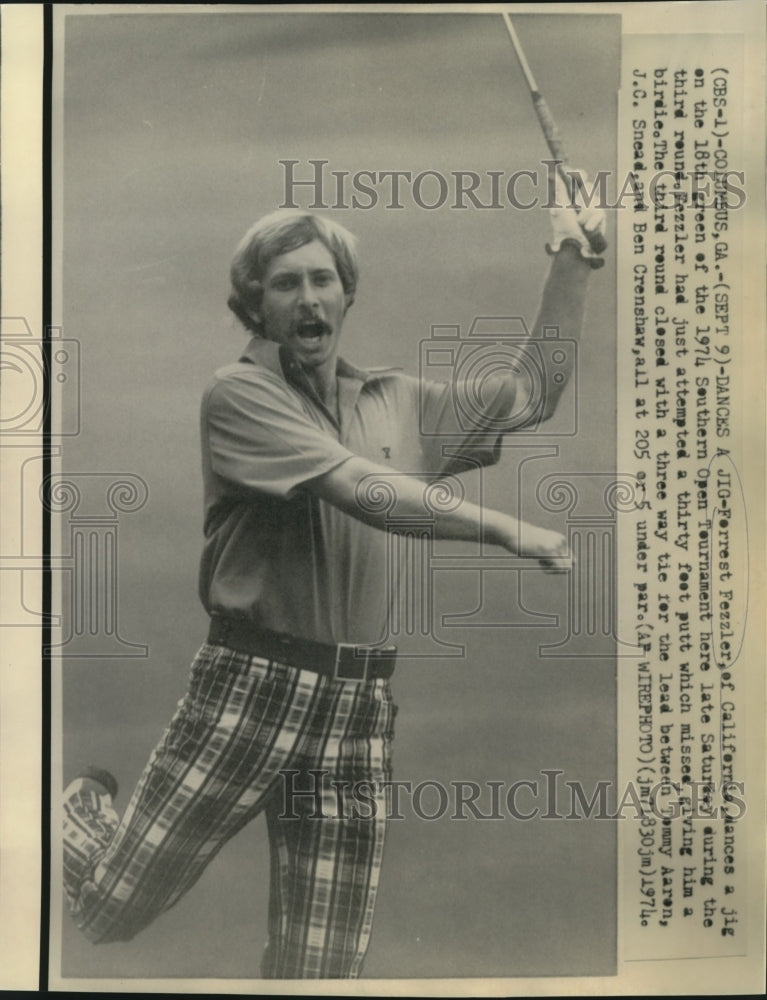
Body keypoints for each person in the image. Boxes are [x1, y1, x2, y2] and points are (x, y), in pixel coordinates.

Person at [62, 185, 606, 978]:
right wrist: (509, 529)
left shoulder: (393, 404)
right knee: (109, 912)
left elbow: (532, 394)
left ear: (346, 291)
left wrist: (573, 258)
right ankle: (78, 813)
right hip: (252, 687)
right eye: (285, 284)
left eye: (322, 279)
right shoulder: (239, 395)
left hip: (357, 706)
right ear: (255, 304)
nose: (308, 298)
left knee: (320, 973)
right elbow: (363, 489)